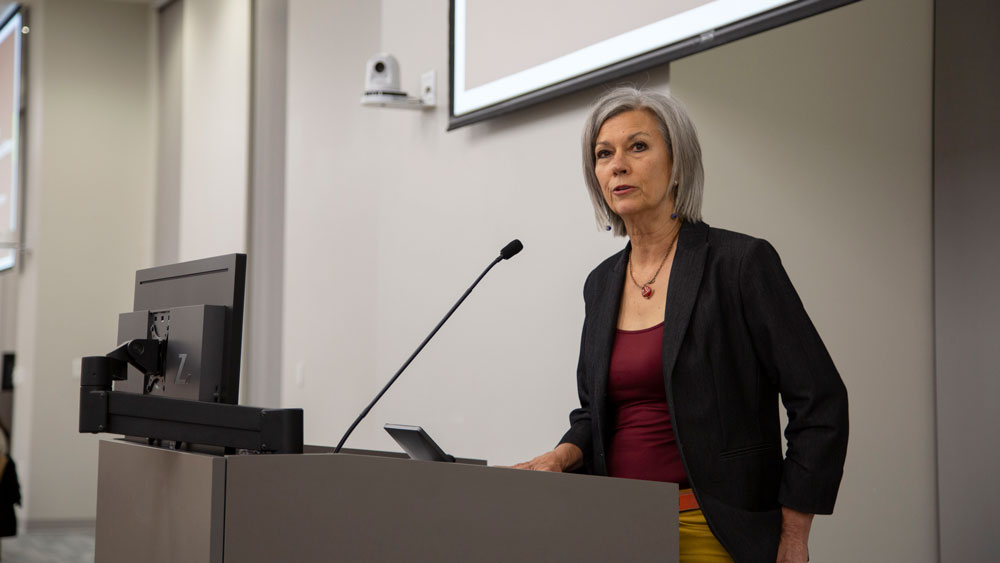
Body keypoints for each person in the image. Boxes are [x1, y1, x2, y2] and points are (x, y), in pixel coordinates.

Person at [512, 87, 849, 563]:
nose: (618, 165)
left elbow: (820, 402)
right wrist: (559, 456)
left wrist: (794, 532)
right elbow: (595, 414)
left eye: (638, 147)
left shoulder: (739, 264)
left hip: (713, 527)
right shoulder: (602, 284)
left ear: (678, 163)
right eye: (603, 154)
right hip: (613, 524)